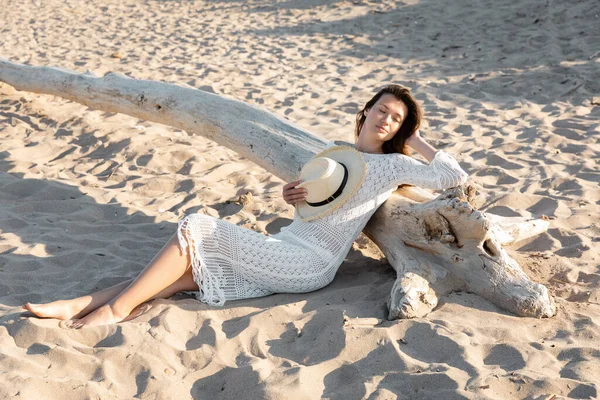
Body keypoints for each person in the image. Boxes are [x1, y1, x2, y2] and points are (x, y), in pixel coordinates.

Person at [22, 84, 468, 328]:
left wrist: (416, 140)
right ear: (366, 110)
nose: (387, 119)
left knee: (198, 226)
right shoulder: (334, 157)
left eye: (396, 118)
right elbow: (314, 212)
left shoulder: (392, 167)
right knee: (183, 274)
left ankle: (115, 310)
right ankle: (81, 302)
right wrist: (292, 198)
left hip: (310, 264)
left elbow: (454, 177)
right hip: (287, 241)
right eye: (383, 110)